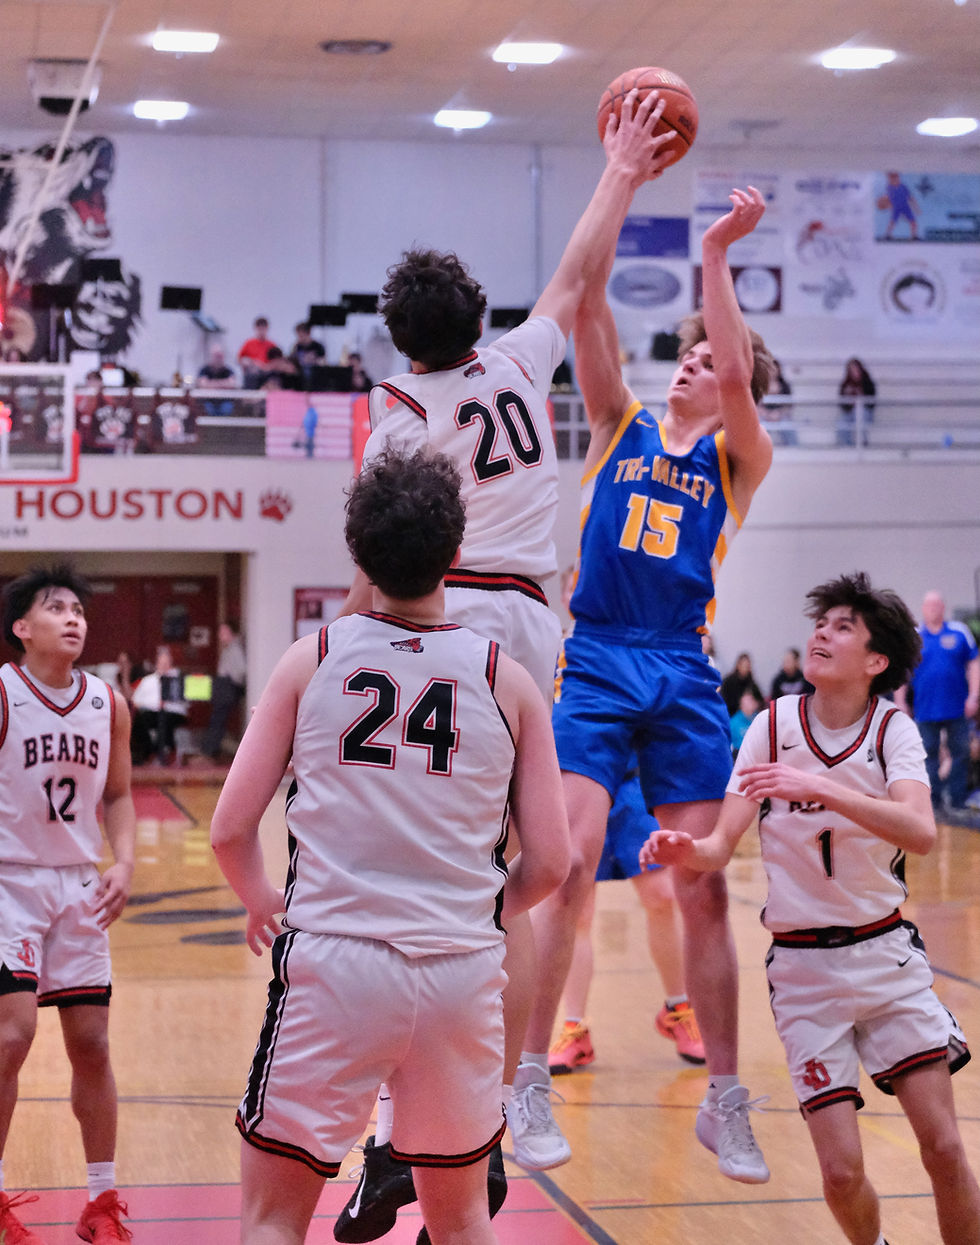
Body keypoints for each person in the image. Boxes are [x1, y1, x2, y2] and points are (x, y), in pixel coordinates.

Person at [209, 445, 570, 1245]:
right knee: (463, 1219)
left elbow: (230, 829)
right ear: (456, 554)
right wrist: (482, 907)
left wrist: (262, 898)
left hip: (334, 961)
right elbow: (554, 860)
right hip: (459, 972)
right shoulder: (506, 678)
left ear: (357, 552)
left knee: (273, 1215)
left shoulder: (314, 660)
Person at [515, 89, 776, 1184]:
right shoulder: (618, 422)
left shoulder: (737, 461)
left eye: (708, 362)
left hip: (677, 666)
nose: (690, 365)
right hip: (595, 652)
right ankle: (524, 1077)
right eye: (684, 357)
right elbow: (585, 312)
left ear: (735, 390)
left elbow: (729, 344)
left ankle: (725, 1093)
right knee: (563, 861)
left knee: (699, 880)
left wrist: (715, 253)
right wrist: (619, 177)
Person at [642, 571, 980, 1245]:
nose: (823, 632)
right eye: (821, 621)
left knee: (943, 1147)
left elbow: (921, 830)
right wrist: (688, 847)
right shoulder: (771, 726)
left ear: (876, 660)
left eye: (843, 626)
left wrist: (818, 786)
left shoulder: (894, 731)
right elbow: (719, 845)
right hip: (804, 974)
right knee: (840, 1173)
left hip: (886, 957)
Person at [0, 564, 136, 1244]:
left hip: (79, 882)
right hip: (9, 881)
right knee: (11, 1035)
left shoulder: (107, 702)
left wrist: (127, 861)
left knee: (92, 1041)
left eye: (79, 608)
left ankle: (101, 1198)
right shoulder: (2, 691)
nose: (74, 617)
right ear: (22, 628)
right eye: (57, 608)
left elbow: (117, 794)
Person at [548, 765, 705, 1075]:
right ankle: (574, 1030)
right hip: (578, 779)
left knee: (662, 896)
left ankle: (678, 1008)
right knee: (578, 911)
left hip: (634, 779)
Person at [896, 590, 980, 811]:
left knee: (960, 754)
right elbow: (902, 671)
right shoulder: (915, 636)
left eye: (937, 605)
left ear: (943, 608)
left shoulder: (959, 632)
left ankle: (958, 801)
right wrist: (900, 702)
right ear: (923, 609)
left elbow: (974, 664)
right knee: (927, 757)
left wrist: (973, 696)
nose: (933, 609)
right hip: (925, 709)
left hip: (957, 708)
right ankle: (932, 803)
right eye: (929, 606)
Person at [129, 645, 188, 766]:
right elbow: (135, 701)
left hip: (173, 713)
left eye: (166, 663)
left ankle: (165, 753)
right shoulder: (147, 680)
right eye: (161, 663)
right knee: (139, 722)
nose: (164, 666)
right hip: (151, 712)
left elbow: (186, 701)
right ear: (156, 664)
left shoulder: (178, 679)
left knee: (165, 719)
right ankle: (152, 752)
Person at [201, 621, 247, 763]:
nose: (220, 635)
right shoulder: (229, 649)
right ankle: (210, 751)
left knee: (218, 720)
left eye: (223, 632)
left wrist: (230, 679)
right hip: (224, 688)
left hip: (227, 688)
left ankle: (209, 753)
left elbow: (240, 671)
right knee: (217, 720)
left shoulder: (234, 649)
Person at [837, 357, 876, 448]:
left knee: (861, 414)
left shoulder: (868, 383)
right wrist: (849, 400)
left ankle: (862, 443)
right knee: (841, 422)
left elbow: (872, 402)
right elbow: (842, 404)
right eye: (852, 370)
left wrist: (862, 396)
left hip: (865, 411)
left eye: (856, 369)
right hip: (850, 412)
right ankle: (846, 445)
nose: (854, 372)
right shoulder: (845, 384)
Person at [196, 345, 237, 418]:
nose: (218, 358)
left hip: (224, 401)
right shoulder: (204, 370)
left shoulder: (228, 371)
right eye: (216, 356)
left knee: (226, 409)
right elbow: (202, 384)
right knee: (206, 409)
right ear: (211, 356)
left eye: (220, 356)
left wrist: (211, 384)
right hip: (208, 401)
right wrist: (223, 384)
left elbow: (232, 384)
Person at [719, 652, 765, 717]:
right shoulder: (728, 682)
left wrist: (754, 704)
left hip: (748, 717)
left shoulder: (751, 683)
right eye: (744, 665)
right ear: (738, 665)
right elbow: (725, 703)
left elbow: (760, 701)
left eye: (748, 666)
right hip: (732, 716)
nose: (746, 669)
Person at [238, 317, 278, 389]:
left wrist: (265, 367)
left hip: (268, 373)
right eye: (259, 329)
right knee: (252, 374)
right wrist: (251, 362)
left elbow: (277, 362)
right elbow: (240, 359)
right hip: (253, 373)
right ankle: (250, 398)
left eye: (263, 329)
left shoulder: (272, 345)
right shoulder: (249, 343)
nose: (261, 331)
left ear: (267, 329)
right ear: (255, 328)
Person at [288, 321, 326, 388]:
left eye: (301, 335)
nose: (299, 338)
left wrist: (312, 360)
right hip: (300, 373)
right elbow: (291, 361)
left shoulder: (318, 346)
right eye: (298, 335)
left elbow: (322, 363)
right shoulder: (297, 346)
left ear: (308, 334)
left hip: (314, 373)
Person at [729, 688, 762, 757]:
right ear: (741, 704)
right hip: (739, 754)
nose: (749, 703)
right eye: (746, 701)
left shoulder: (760, 718)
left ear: (756, 703)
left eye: (751, 700)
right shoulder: (734, 722)